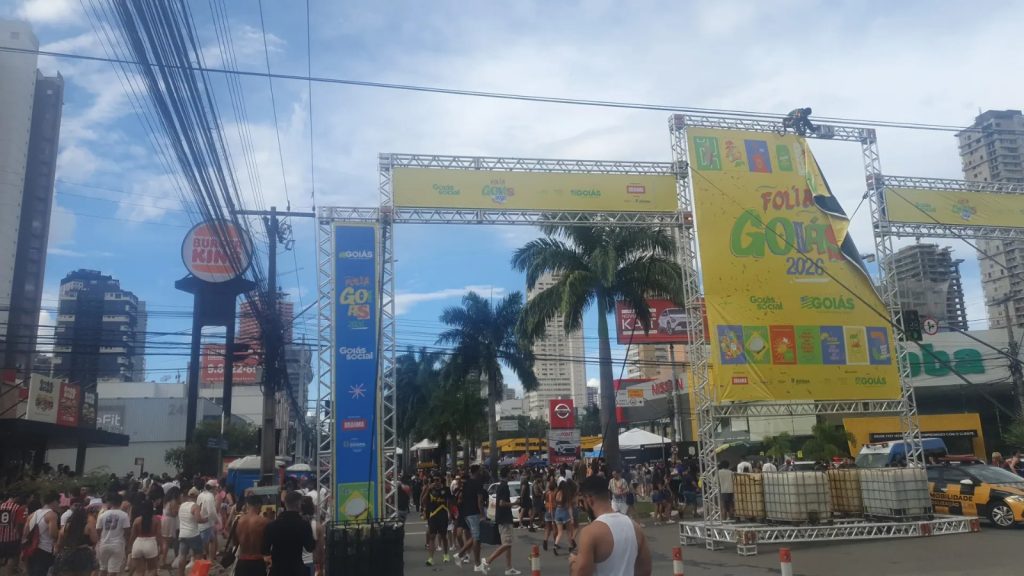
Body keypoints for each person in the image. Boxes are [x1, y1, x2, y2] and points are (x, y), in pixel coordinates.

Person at [568, 476, 651, 576]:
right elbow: (646, 570)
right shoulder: (635, 527)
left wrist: (573, 564)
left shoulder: (589, 533)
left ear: (589, 500)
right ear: (608, 495)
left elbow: (581, 573)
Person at [262, 491, 314, 576]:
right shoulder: (304, 524)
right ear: (299, 505)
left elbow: (265, 550)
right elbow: (310, 547)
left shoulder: (272, 525)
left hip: (277, 570)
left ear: (285, 504)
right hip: (297, 570)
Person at [480, 468, 520, 575]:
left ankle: (509, 568)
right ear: (507, 474)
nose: (513, 475)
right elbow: (502, 503)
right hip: (504, 519)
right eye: (511, 473)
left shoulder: (502, 486)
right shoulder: (503, 486)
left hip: (504, 518)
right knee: (507, 543)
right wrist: (514, 503)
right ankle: (487, 560)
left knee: (508, 544)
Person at [454, 465, 485, 571]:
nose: (481, 472)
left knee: (475, 536)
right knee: (477, 538)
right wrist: (482, 514)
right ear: (476, 472)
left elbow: (461, 498)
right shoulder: (478, 483)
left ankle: (462, 554)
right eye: (480, 471)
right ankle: (477, 563)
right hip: (474, 513)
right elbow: (479, 500)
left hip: (466, 513)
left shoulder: (466, 484)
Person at [53, 506, 97, 576]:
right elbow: (95, 539)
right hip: (84, 554)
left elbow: (59, 542)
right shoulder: (88, 526)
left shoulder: (66, 527)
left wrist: (57, 551)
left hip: (68, 553)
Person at [233, 495, 269, 576]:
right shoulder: (264, 522)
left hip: (242, 561)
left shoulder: (238, 521)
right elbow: (268, 543)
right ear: (259, 505)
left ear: (247, 505)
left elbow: (235, 543)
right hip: (257, 561)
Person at [95, 493, 130, 576]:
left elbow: (98, 529)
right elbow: (127, 530)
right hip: (117, 544)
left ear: (110, 502)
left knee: (102, 568)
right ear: (120, 502)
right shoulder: (124, 515)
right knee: (113, 571)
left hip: (104, 543)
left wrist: (101, 538)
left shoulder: (102, 515)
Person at [175, 488, 208, 576]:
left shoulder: (181, 506)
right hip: (193, 535)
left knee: (182, 556)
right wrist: (206, 519)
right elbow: (198, 520)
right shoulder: (195, 506)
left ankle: (180, 574)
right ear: (197, 497)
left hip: (182, 535)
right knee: (198, 556)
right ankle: (196, 574)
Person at [423, 474, 452, 567]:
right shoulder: (430, 490)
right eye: (434, 480)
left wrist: (450, 514)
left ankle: (446, 554)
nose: (436, 482)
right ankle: (430, 558)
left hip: (443, 514)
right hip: (433, 515)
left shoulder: (446, 490)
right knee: (432, 536)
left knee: (443, 536)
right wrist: (427, 490)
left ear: (441, 480)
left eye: (437, 480)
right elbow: (423, 501)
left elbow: (450, 502)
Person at [128, 499, 162, 576]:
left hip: (138, 544)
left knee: (139, 572)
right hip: (150, 544)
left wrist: (129, 547)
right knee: (152, 570)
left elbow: (132, 535)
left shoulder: (137, 520)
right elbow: (159, 535)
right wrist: (161, 547)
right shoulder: (156, 520)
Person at [0, 495, 26, 576]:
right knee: (12, 557)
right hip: (12, 537)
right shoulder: (18, 508)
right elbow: (20, 523)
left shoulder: (1, 505)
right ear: (16, 497)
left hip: (0, 536)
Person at [300, 496, 323, 576]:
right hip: (311, 564)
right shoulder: (317, 526)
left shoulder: (294, 524)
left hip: (296, 564)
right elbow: (320, 550)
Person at [196, 480, 218, 559]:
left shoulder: (201, 494)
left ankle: (209, 559)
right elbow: (211, 511)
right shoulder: (210, 496)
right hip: (207, 522)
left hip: (201, 521)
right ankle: (207, 560)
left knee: (211, 540)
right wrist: (216, 519)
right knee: (207, 542)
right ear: (213, 488)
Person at [160, 486, 180, 571]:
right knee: (167, 543)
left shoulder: (166, 500)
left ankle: (162, 560)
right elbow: (174, 513)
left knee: (164, 541)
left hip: (164, 519)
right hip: (169, 521)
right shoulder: (173, 501)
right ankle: (162, 561)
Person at [541, 479, 557, 552]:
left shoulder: (546, 493)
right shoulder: (555, 493)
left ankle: (545, 540)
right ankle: (555, 543)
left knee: (547, 528)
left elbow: (543, 499)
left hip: (547, 510)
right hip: (554, 510)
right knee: (554, 528)